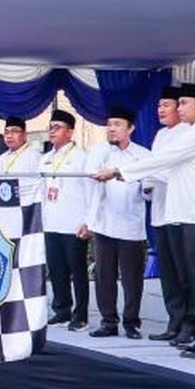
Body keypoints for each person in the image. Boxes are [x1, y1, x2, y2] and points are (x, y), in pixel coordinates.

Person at [96, 83, 195, 359]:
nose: (178, 108)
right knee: (182, 275)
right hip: (182, 212)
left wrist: (119, 170)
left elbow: (163, 161)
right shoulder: (183, 133)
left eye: (183, 104)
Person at [85, 106, 150, 339]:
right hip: (104, 223)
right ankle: (108, 321)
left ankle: (131, 322)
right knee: (104, 275)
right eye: (109, 124)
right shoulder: (99, 152)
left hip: (131, 224)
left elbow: (150, 189)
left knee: (132, 278)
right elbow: (89, 186)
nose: (111, 129)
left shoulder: (143, 155)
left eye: (117, 124)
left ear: (130, 128)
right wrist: (88, 221)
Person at [142, 87, 194, 343]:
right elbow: (153, 167)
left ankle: (190, 323)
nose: (161, 110)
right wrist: (146, 183)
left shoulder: (188, 134)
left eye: (167, 105)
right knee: (169, 273)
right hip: (159, 209)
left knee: (183, 271)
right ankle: (174, 321)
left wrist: (148, 174)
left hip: (178, 212)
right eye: (159, 105)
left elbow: (171, 170)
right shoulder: (161, 134)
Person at [40, 110, 92, 331]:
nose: (52, 131)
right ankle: (61, 310)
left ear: (70, 132)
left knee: (77, 271)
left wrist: (89, 222)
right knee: (56, 270)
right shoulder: (44, 159)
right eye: (50, 127)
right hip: (51, 221)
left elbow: (91, 191)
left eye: (57, 127)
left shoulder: (82, 157)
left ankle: (81, 315)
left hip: (74, 223)